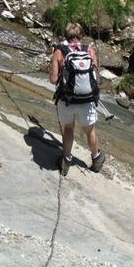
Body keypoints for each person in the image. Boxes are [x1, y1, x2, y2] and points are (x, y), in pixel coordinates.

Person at [49, 22, 105, 176]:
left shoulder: (60, 52)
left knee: (68, 129)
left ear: (65, 37)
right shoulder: (89, 50)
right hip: (87, 100)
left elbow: (53, 80)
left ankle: (66, 160)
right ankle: (96, 159)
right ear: (81, 36)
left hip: (67, 100)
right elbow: (96, 75)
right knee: (90, 131)